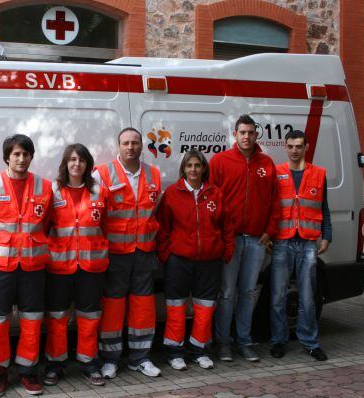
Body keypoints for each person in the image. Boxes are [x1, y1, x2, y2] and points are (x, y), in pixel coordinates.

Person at [0, 134, 53, 397]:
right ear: (7, 156)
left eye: (26, 154)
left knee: (32, 321)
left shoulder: (45, 186)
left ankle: (28, 371)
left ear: (31, 157)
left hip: (32, 266)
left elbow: (48, 223)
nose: (21, 159)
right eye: (16, 154)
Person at [93, 127, 162, 379]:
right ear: (118, 146)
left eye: (135, 142)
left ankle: (140, 358)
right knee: (112, 307)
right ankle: (110, 359)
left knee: (143, 307)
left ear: (142, 145)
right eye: (126, 143)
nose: (130, 147)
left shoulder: (154, 173)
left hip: (143, 251)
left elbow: (155, 211)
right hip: (115, 253)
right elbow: (95, 214)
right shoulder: (102, 173)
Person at [156, 150, 234, 371]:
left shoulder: (215, 194)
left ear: (203, 168)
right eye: (189, 166)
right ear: (183, 169)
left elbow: (227, 226)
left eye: (197, 165)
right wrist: (166, 255)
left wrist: (226, 251)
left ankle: (200, 350)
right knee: (176, 307)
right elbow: (162, 228)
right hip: (179, 261)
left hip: (210, 261)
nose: (193, 170)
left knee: (204, 307)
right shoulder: (172, 193)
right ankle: (175, 352)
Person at [210, 114, 279, 363]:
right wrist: (219, 232)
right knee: (227, 292)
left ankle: (244, 341)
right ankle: (223, 343)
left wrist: (269, 231)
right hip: (231, 239)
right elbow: (211, 200)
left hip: (257, 241)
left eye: (251, 132)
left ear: (256, 135)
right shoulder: (220, 162)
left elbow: (274, 202)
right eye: (242, 132)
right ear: (234, 135)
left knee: (249, 291)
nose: (247, 136)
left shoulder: (267, 163)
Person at [43, 144, 109, 387]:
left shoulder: (99, 192)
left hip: (91, 268)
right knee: (57, 317)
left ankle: (89, 363)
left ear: (88, 164)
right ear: (65, 163)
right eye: (72, 159)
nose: (77, 164)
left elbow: (106, 226)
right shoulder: (53, 191)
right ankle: (55, 364)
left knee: (89, 317)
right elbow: (43, 227)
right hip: (60, 267)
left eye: (81, 160)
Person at [269, 130, 331, 361]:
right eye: (291, 146)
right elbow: (270, 208)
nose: (294, 150)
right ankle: (278, 341)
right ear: (285, 147)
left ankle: (311, 342)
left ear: (306, 147)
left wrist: (327, 236)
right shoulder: (277, 173)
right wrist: (268, 236)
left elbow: (324, 207)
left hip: (307, 243)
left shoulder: (318, 174)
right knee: (277, 296)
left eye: (299, 146)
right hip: (282, 241)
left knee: (307, 297)